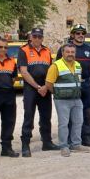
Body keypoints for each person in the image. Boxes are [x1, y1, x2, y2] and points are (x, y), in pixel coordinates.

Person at [18, 27, 58, 156]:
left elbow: (50, 71)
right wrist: (37, 87)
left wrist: (46, 87)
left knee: (46, 117)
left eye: (39, 37)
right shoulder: (23, 50)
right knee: (28, 117)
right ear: (30, 37)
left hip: (45, 88)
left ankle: (47, 142)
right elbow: (24, 72)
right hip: (31, 89)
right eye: (34, 36)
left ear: (42, 38)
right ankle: (25, 145)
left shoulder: (47, 51)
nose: (37, 39)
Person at [45, 43, 90, 156]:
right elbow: (49, 84)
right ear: (62, 53)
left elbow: (78, 80)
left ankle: (76, 144)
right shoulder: (56, 65)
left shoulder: (78, 65)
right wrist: (58, 93)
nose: (70, 54)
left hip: (76, 99)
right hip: (62, 100)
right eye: (67, 52)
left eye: (72, 52)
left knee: (78, 122)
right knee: (63, 124)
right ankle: (64, 146)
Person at [57, 24, 90, 147]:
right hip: (70, 85)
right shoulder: (65, 49)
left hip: (85, 84)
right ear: (72, 35)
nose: (80, 35)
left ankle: (86, 136)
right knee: (69, 113)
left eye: (82, 33)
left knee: (86, 112)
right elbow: (58, 65)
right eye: (77, 33)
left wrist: (87, 78)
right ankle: (69, 139)